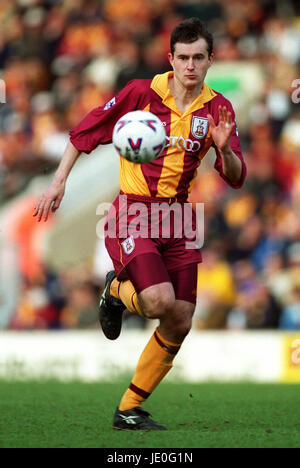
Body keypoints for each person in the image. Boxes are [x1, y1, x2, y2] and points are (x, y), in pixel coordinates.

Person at [33, 18, 246, 430]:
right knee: (159, 302)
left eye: (198, 57)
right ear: (170, 58)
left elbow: (235, 177)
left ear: (210, 60)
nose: (190, 66)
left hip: (179, 218)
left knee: (180, 318)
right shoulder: (142, 92)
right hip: (133, 213)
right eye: (182, 57)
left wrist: (225, 150)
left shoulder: (219, 109)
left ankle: (129, 409)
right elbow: (85, 132)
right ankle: (114, 292)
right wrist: (58, 182)